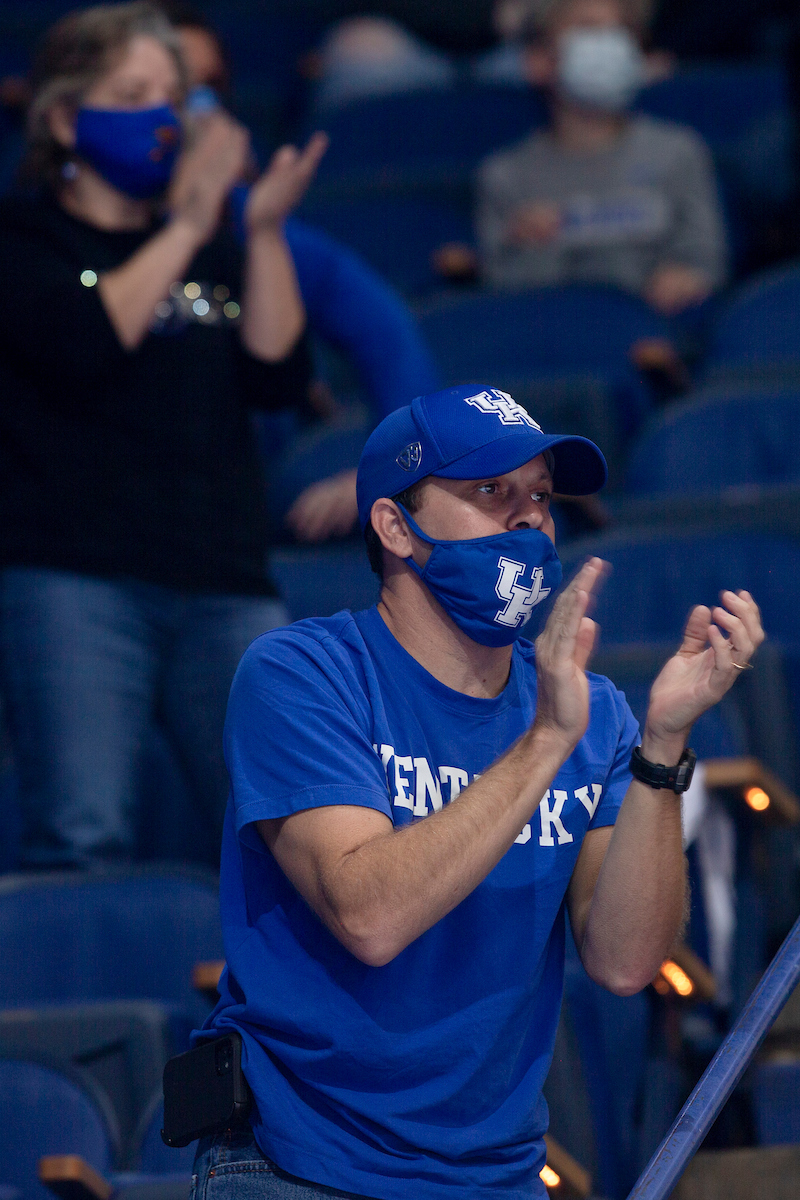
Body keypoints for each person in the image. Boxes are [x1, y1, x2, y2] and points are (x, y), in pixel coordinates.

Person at [194, 383, 764, 1198]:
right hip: (297, 1164)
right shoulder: (301, 674)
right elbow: (369, 915)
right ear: (395, 526)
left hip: (494, 1175)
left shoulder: (592, 712)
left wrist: (661, 748)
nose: (529, 518)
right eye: (491, 492)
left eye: (539, 496)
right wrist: (543, 746)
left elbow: (625, 960)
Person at [0, 1, 327, 867]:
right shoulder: (23, 238)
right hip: (74, 580)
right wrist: (186, 223)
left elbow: (277, 377)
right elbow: (83, 349)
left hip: (222, 574)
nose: (160, 115)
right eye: (131, 92)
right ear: (66, 118)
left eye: (170, 95)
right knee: (81, 832)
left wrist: (257, 230)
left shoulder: (212, 248)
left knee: (286, 831)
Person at [162, 1, 441, 543]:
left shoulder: (254, 223)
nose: (197, 109)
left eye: (211, 87)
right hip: (103, 534)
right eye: (172, 88)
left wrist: (391, 473)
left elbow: (388, 338)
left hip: (237, 529)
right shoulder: (66, 235)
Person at [476, 0, 728, 315]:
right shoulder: (505, 174)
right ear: (538, 61)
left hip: (655, 337)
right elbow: (500, 295)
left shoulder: (679, 152)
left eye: (621, 31)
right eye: (588, 28)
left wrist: (685, 279)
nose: (608, 43)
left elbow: (705, 260)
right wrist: (534, 249)